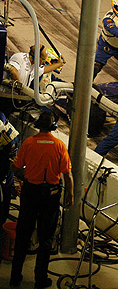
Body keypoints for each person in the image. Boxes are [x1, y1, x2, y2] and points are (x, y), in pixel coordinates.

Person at [9, 110, 74, 289]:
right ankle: (40, 280)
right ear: (53, 127)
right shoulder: (59, 146)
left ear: (39, 126)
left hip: (30, 193)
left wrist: (26, 177)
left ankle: (15, 278)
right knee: (46, 238)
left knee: (23, 236)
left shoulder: (29, 143)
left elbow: (15, 168)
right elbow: (67, 176)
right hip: (50, 196)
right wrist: (70, 195)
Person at [0, 111, 19, 226]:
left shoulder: (10, 138)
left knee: (6, 187)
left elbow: (11, 160)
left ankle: (2, 219)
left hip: (4, 163)